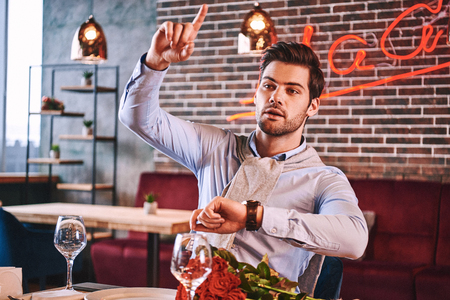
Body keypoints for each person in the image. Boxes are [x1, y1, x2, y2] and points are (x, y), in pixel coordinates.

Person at [119, 3, 368, 293]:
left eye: (292, 90)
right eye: (269, 86)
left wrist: (255, 216)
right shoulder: (214, 146)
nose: (276, 97)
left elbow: (355, 240)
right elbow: (137, 119)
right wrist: (155, 62)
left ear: (312, 105)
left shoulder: (323, 179)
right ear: (256, 93)